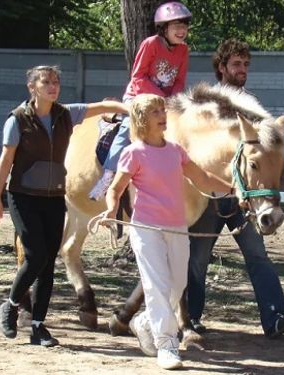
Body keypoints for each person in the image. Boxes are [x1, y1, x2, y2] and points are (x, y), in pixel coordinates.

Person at [0, 65, 129, 347]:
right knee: (36, 255)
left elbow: (100, 106)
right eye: (46, 82)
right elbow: (6, 161)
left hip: (54, 197)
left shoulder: (66, 114)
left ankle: (39, 326)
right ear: (32, 87)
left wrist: (128, 109)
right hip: (24, 196)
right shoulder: (17, 120)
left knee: (48, 263)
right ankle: (12, 304)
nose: (53, 86)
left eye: (55, 82)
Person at [101, 94, 234, 370]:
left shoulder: (175, 151)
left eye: (162, 110)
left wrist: (235, 191)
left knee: (176, 285)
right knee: (157, 286)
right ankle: (167, 345)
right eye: (155, 112)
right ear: (141, 119)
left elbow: (203, 178)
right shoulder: (133, 153)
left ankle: (145, 322)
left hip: (177, 227)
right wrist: (112, 211)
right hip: (147, 229)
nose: (162, 115)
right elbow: (115, 189)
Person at [186, 38, 284, 338]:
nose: (242, 70)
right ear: (221, 67)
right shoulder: (203, 105)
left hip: (244, 201)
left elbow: (265, 149)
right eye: (236, 64)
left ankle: (275, 319)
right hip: (208, 196)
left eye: (246, 64)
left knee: (257, 255)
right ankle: (191, 318)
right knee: (196, 260)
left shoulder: (251, 106)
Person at [89, 1, 191, 200]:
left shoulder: (183, 50)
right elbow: (138, 77)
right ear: (163, 28)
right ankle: (109, 175)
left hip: (166, 102)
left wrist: (173, 101)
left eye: (184, 26)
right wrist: (160, 98)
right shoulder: (151, 44)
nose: (182, 30)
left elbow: (179, 81)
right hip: (138, 96)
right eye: (176, 25)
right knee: (128, 127)